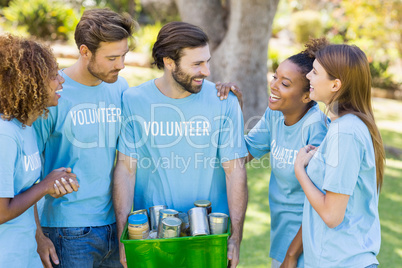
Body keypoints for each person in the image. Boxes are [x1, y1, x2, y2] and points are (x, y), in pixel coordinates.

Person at [114, 21, 248, 268]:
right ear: (169, 62)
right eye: (197, 64)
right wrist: (124, 237)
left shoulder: (224, 102)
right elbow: (126, 170)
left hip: (210, 239)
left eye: (207, 61)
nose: (206, 71)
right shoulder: (134, 101)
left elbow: (235, 171)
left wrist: (236, 238)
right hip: (152, 241)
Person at [33, 8, 136, 268]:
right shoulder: (54, 93)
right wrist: (38, 236)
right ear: (84, 51)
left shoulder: (120, 88)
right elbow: (25, 172)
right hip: (67, 231)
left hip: (115, 226)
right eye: (112, 57)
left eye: (124, 55)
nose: (121, 65)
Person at [216, 38, 330, 268]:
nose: (274, 85)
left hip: (309, 243)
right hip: (284, 236)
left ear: (308, 95)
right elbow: (241, 155)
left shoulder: (316, 129)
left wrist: (291, 255)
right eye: (275, 76)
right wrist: (234, 110)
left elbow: (322, 205)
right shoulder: (275, 115)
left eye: (285, 83)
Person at [295, 44, 385, 268]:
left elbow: (331, 215)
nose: (308, 76)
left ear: (336, 84)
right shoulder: (344, 127)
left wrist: (300, 171)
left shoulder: (345, 132)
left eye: (315, 72)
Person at [0, 34, 79, 267]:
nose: (61, 81)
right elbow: (2, 212)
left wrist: (39, 238)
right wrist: (46, 185)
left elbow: (25, 190)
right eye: (53, 75)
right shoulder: (5, 135)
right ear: (28, 82)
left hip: (26, 254)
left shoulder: (26, 126)